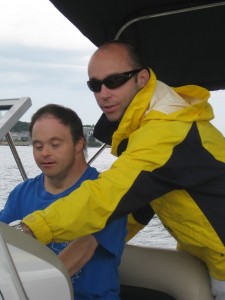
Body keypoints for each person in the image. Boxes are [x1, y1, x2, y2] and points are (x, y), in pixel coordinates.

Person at [18, 40, 225, 299]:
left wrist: (27, 231)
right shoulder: (147, 128)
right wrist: (97, 238)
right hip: (208, 257)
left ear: (141, 78)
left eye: (114, 81)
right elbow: (139, 205)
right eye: (95, 85)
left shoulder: (166, 128)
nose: (103, 93)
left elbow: (107, 193)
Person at [0, 103, 127, 300]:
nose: (45, 153)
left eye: (55, 144)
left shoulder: (104, 193)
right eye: (38, 146)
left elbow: (70, 263)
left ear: (79, 144)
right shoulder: (21, 193)